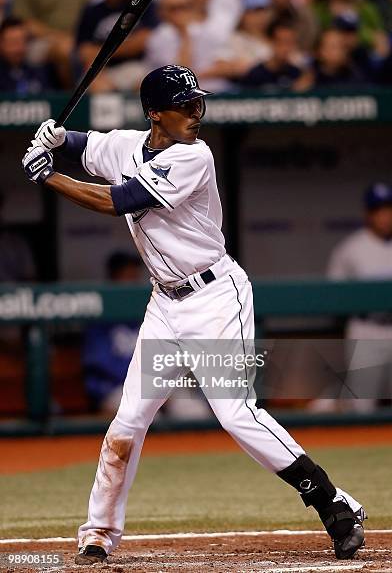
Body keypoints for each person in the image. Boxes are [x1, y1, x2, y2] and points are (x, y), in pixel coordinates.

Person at [23, 64, 366, 565]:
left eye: (197, 104)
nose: (195, 113)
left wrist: (47, 174)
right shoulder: (125, 145)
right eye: (184, 106)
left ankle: (333, 504)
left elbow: (122, 199)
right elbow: (84, 143)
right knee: (127, 422)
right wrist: (54, 138)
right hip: (164, 304)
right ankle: (97, 532)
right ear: (154, 113)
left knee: (236, 414)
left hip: (214, 299)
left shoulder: (193, 155)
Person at [327, 182, 392, 411]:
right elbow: (334, 297)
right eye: (378, 210)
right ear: (368, 213)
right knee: (362, 406)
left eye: (388, 209)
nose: (385, 216)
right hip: (366, 329)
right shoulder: (351, 248)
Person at [75, 0, 157, 93]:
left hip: (134, 66)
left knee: (147, 81)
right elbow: (83, 51)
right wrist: (125, 47)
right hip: (101, 70)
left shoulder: (144, 3)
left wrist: (103, 51)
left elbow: (142, 42)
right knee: (97, 86)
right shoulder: (92, 9)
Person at [82, 252, 143, 414]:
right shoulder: (100, 318)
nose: (132, 282)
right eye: (127, 276)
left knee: (191, 410)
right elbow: (101, 365)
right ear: (114, 278)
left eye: (135, 277)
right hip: (115, 388)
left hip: (151, 384)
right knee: (141, 414)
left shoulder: (148, 310)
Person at [12, 0, 89, 87]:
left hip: (75, 39)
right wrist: (60, 37)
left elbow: (90, 11)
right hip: (37, 42)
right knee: (65, 49)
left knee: (92, 49)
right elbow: (24, 22)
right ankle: (73, 97)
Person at [239, 18, 312, 91]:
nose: (285, 48)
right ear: (271, 42)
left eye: (290, 43)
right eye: (281, 42)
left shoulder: (297, 74)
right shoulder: (255, 75)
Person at [0, 16, 53, 94]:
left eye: (22, 41)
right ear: (1, 43)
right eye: (13, 42)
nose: (19, 49)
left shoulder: (39, 72)